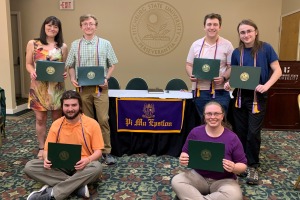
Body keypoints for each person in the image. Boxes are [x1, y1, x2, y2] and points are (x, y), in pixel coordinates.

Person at [224, 19, 282, 185]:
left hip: (258, 97)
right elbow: (236, 75)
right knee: (240, 132)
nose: (246, 35)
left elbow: (277, 70)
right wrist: (230, 84)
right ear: (239, 35)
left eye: (249, 31)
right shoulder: (237, 52)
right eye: (242, 32)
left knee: (253, 133)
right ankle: (241, 164)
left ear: (256, 31)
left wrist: (267, 85)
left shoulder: (266, 48)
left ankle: (253, 166)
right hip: (240, 98)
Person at [24, 90, 104, 200]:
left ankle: (51, 193)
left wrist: (88, 160)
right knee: (30, 167)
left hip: (82, 166)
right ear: (62, 106)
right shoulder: (56, 124)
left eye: (74, 105)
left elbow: (98, 152)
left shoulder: (92, 124)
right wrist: (46, 158)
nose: (70, 109)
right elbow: (46, 150)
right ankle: (77, 187)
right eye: (66, 105)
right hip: (60, 166)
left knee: (97, 167)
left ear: (80, 106)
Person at [66, 14, 118, 165]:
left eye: (91, 24)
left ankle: (106, 152)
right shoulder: (75, 44)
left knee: (103, 119)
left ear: (96, 26)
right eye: (85, 24)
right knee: (86, 121)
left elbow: (112, 63)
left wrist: (106, 79)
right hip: (82, 90)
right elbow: (70, 65)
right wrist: (72, 78)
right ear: (81, 26)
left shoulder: (105, 43)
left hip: (100, 89)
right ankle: (89, 151)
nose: (88, 26)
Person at [171, 101, 247, 200]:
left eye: (216, 114)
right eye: (209, 114)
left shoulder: (232, 138)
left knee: (235, 195)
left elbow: (243, 165)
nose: (212, 117)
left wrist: (233, 167)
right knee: (177, 181)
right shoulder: (195, 132)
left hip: (224, 180)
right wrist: (183, 157)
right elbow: (185, 152)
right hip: (198, 176)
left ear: (222, 116)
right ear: (204, 116)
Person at [26, 16, 68, 160]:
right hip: (38, 87)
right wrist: (32, 71)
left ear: (59, 30)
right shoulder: (33, 43)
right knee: (40, 119)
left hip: (56, 88)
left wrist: (65, 73)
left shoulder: (62, 46)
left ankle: (55, 145)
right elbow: (28, 63)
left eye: (55, 27)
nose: (52, 29)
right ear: (44, 27)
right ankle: (42, 147)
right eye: (49, 25)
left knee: (57, 119)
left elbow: (64, 67)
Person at [185, 13, 233, 121]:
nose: (212, 27)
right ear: (204, 27)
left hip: (220, 91)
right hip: (200, 91)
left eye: (215, 24)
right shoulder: (196, 44)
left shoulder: (227, 45)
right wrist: (191, 74)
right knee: (203, 122)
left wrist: (224, 78)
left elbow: (232, 67)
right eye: (209, 24)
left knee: (220, 122)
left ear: (220, 27)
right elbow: (188, 65)